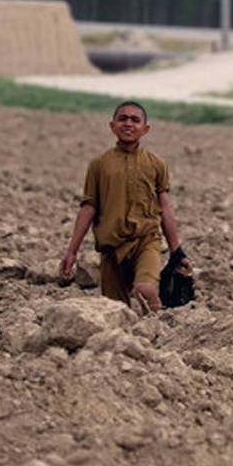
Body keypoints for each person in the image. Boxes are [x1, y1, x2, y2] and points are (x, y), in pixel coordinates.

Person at [59, 101, 190, 312]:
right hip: (111, 248)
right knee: (115, 312)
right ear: (112, 125)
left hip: (146, 241)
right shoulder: (99, 165)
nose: (128, 124)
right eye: (123, 119)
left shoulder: (157, 164)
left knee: (145, 290)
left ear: (145, 129)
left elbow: (164, 207)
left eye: (135, 120)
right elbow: (88, 207)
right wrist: (71, 251)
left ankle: (157, 332)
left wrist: (177, 251)